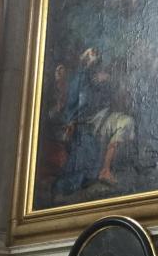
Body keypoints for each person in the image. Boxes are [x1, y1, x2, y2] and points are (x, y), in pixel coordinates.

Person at [58, 48, 135, 191]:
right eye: (90, 56)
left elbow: (114, 96)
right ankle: (100, 171)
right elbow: (77, 106)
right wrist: (72, 122)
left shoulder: (101, 76)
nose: (94, 58)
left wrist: (108, 80)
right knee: (86, 160)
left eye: (96, 56)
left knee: (127, 122)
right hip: (87, 123)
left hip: (105, 117)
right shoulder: (80, 79)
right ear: (85, 60)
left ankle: (106, 169)